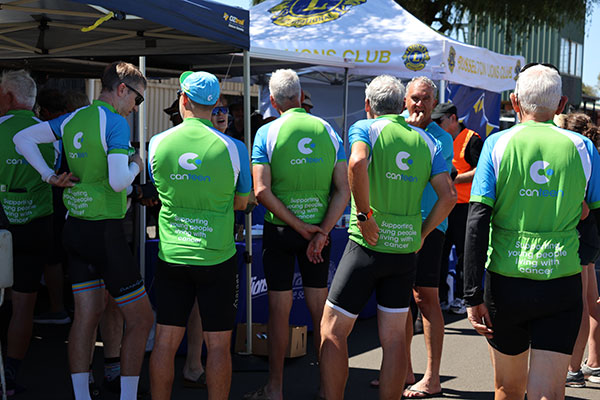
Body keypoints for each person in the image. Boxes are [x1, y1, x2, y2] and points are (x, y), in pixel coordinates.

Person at [14, 61, 154, 400]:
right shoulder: (116, 123)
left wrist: (49, 175)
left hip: (74, 229)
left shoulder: (74, 117)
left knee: (86, 316)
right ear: (122, 90)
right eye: (138, 100)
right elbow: (119, 180)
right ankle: (128, 396)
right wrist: (137, 163)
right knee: (141, 319)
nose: (136, 108)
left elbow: (23, 138)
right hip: (104, 232)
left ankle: (81, 396)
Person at [464, 63, 600, 399]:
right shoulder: (584, 148)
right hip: (561, 283)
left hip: (506, 284)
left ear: (514, 101)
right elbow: (596, 220)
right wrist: (583, 257)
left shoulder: (497, 144)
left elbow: (477, 220)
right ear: (562, 103)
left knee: (507, 389)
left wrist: (471, 293)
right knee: (548, 393)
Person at [320, 75, 456, 400]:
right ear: (402, 105)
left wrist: (365, 215)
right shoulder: (427, 141)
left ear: (368, 106)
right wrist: (422, 233)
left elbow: (357, 161)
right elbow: (449, 196)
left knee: (333, 330)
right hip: (404, 252)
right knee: (394, 339)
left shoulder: (365, 129)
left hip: (366, 246)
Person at [246, 69, 350, 400]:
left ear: (273, 101)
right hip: (318, 234)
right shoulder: (328, 130)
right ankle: (327, 388)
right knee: (321, 313)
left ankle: (275, 388)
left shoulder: (267, 133)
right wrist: (320, 231)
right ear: (301, 95)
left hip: (281, 232)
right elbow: (343, 190)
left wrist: (297, 225)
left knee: (279, 311)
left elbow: (261, 191)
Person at [147, 71, 251, 400]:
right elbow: (241, 202)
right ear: (214, 104)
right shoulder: (233, 147)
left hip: (173, 255)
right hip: (216, 256)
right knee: (218, 345)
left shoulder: (157, 142)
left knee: (165, 341)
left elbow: (160, 191)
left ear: (184, 100)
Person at [0, 70, 57, 396]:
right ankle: (12, 371)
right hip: (36, 226)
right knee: (23, 304)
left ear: (9, 97)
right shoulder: (50, 133)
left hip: (2, 228)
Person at [403, 77, 455, 398]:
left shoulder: (441, 140)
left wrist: (424, 233)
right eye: (414, 99)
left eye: (425, 99)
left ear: (434, 104)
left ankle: (432, 377)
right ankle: (403, 370)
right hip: (400, 225)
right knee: (399, 299)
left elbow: (443, 193)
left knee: (426, 298)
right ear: (405, 101)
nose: (419, 105)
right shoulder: (398, 131)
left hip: (430, 226)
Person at [558, 113, 600, 387]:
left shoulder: (581, 150)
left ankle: (574, 368)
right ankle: (590, 363)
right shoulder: (585, 150)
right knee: (590, 297)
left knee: (581, 301)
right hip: (588, 233)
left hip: (582, 232)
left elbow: (585, 206)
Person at [432, 102, 483, 315]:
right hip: (444, 204)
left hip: (465, 206)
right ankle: (441, 297)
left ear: (453, 119)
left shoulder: (472, 139)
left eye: (440, 121)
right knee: (440, 253)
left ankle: (463, 298)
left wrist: (454, 179)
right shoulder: (437, 138)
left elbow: (481, 170)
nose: (436, 125)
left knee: (465, 255)